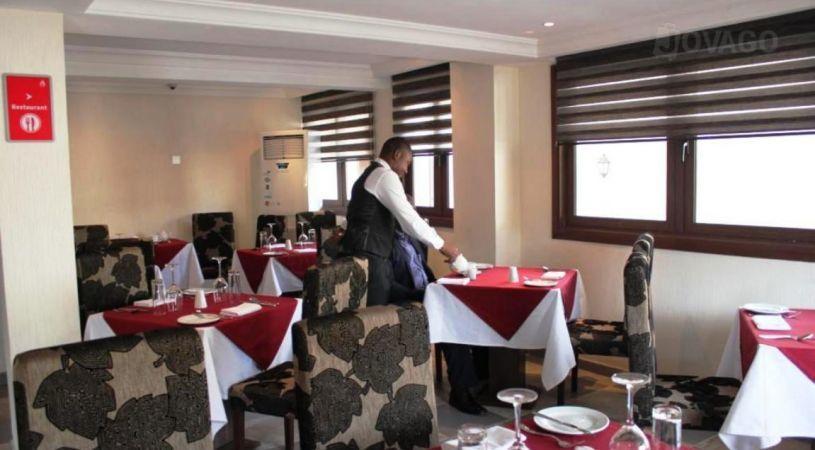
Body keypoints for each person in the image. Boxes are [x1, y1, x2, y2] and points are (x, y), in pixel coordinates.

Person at [341, 136, 466, 306]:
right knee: (376, 314)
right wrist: (443, 246)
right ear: (397, 155)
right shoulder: (384, 176)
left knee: (370, 311)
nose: (406, 170)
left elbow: (362, 216)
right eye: (407, 163)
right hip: (371, 257)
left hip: (360, 255)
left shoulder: (368, 174)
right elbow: (410, 219)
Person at [389, 226, 487, 414]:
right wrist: (425, 293)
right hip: (409, 301)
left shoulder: (413, 238)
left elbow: (424, 272)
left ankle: (480, 379)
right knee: (451, 325)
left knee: (473, 313)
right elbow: (390, 286)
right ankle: (461, 392)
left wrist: (437, 287)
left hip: (428, 294)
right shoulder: (385, 244)